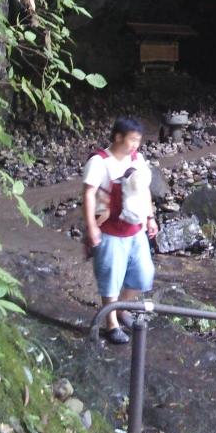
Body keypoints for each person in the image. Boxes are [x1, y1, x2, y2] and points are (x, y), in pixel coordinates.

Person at [82, 117, 158, 345]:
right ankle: (111, 323)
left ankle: (121, 308)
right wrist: (91, 227)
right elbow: (88, 195)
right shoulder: (99, 162)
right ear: (118, 137)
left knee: (143, 275)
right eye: (132, 140)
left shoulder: (137, 159)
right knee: (110, 279)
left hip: (135, 229)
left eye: (138, 140)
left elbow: (143, 190)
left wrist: (150, 217)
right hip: (109, 231)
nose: (136, 145)